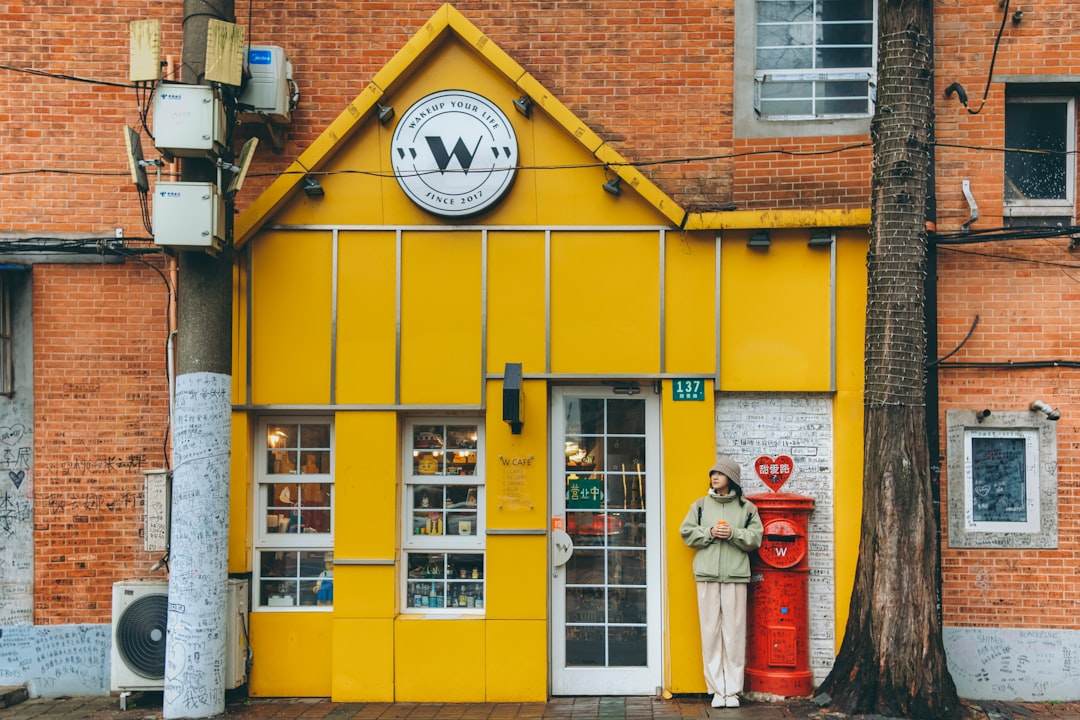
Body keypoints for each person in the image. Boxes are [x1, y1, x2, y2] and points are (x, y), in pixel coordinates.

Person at [679, 456, 763, 709]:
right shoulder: (701, 505)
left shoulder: (747, 508)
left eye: (720, 474)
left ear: (732, 479)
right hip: (706, 576)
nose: (714, 477)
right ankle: (717, 690)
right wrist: (709, 532)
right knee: (710, 633)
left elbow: (755, 538)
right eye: (712, 474)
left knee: (735, 633)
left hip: (736, 576)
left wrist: (734, 533)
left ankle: (733, 691)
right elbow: (686, 532)